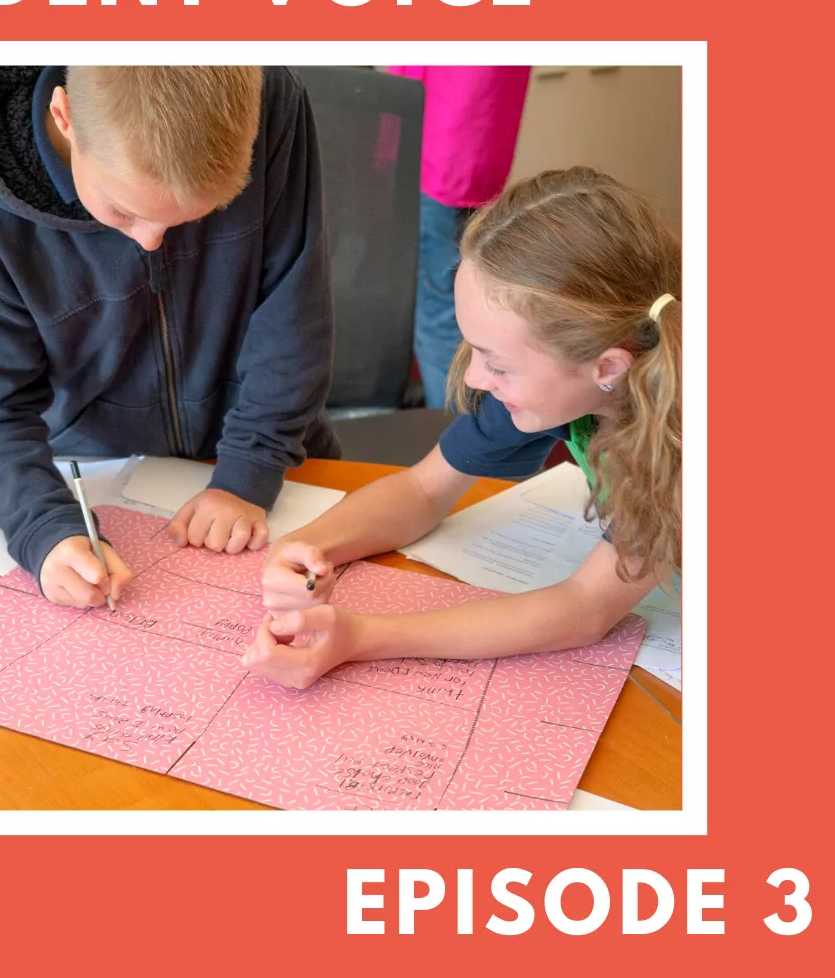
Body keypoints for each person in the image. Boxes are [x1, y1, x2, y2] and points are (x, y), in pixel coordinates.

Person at [243, 167, 681, 689]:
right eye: (474, 349)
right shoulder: (560, 381)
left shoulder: (680, 451)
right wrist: (304, 546)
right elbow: (422, 489)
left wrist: (362, 638)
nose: (475, 376)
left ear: (607, 368)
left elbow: (586, 607)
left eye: (496, 364)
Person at [0, 66, 339, 609]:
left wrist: (250, 471)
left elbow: (294, 306)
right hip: (96, 471)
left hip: (276, 454)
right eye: (124, 211)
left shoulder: (271, 103)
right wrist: (44, 529)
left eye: (200, 216)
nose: (151, 241)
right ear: (65, 116)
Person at [387, 65, 530, 407]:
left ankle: (457, 431)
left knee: (440, 310)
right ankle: (462, 423)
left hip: (445, 149)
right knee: (455, 300)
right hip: (464, 143)